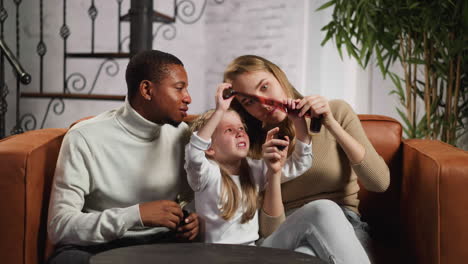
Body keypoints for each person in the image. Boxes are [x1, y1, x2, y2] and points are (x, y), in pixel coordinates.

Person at [223, 55, 390, 262]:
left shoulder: (336, 112)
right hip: (287, 235)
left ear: (279, 77)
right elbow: (270, 232)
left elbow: (379, 183)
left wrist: (331, 124)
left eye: (264, 87)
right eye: (249, 102)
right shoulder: (251, 145)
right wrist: (273, 174)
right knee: (320, 211)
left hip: (345, 229)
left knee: (308, 250)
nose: (263, 104)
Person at [185, 84, 370, 264]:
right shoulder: (205, 175)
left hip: (256, 253)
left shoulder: (254, 169)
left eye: (241, 128)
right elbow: (194, 153)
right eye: (229, 130)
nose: (239, 133)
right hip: (220, 257)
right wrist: (219, 111)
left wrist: (298, 121)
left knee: (323, 210)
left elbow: (300, 163)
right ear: (209, 148)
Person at [47, 50, 200, 264]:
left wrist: (191, 219)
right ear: (147, 90)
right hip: (99, 246)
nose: (188, 98)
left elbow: (189, 197)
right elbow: (60, 226)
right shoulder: (84, 136)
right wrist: (135, 215)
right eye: (179, 88)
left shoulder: (181, 134)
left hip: (163, 242)